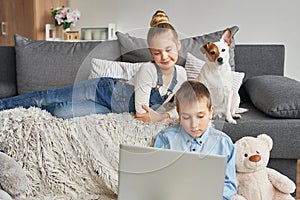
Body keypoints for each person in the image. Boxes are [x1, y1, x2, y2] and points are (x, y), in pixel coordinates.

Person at [0, 10, 187, 122]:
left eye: (168, 49)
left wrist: (164, 116)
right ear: (150, 52)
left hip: (112, 110)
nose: (163, 57)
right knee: (47, 97)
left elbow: (183, 110)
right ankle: (3, 106)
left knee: (60, 111)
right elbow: (142, 115)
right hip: (101, 90)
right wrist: (163, 117)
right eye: (156, 52)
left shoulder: (182, 75)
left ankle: (26, 115)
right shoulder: (148, 70)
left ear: (178, 44)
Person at [153, 80, 237, 199]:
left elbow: (230, 186)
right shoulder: (166, 137)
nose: (194, 125)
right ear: (179, 113)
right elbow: (156, 179)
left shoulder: (224, 143)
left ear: (210, 112)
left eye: (200, 116)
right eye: (186, 117)